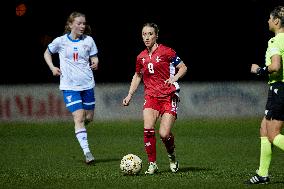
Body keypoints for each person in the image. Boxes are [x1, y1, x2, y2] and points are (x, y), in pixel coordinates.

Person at [122, 22, 187, 175]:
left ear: (156, 35)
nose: (147, 37)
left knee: (164, 134)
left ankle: (172, 157)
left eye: (150, 34)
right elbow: (138, 75)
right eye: (144, 34)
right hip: (151, 97)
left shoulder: (167, 52)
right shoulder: (141, 57)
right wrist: (130, 94)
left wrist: (174, 78)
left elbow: (183, 67)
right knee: (148, 129)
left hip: (168, 96)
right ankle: (153, 164)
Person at [43, 11, 99, 165]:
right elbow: (47, 53)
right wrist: (52, 67)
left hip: (87, 84)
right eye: (79, 23)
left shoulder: (89, 41)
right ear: (70, 24)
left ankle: (79, 127)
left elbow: (94, 56)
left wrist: (95, 62)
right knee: (79, 117)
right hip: (69, 86)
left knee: (89, 118)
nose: (82, 26)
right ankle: (87, 152)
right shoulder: (61, 41)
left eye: (84, 23)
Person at [246, 6, 284, 184]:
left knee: (273, 135)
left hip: (279, 89)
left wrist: (260, 70)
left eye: (270, 18)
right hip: (279, 89)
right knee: (263, 129)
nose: (268, 21)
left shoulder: (275, 42)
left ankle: (262, 174)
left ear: (276, 20)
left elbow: (276, 66)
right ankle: (262, 174)